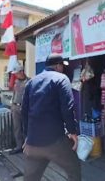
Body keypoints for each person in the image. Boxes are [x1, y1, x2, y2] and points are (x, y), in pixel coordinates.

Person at [22, 53, 81, 181]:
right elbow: (68, 108)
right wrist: (73, 132)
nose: (63, 69)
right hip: (54, 141)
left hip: (33, 143)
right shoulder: (61, 78)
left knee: (30, 178)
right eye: (62, 66)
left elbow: (24, 112)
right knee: (74, 169)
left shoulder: (31, 82)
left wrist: (27, 137)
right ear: (58, 66)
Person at [9, 65, 29, 155]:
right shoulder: (16, 81)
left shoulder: (30, 81)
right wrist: (12, 104)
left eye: (16, 73)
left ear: (21, 71)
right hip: (15, 107)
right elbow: (14, 93)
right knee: (17, 128)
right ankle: (19, 146)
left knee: (26, 128)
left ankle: (27, 147)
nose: (15, 75)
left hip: (25, 108)